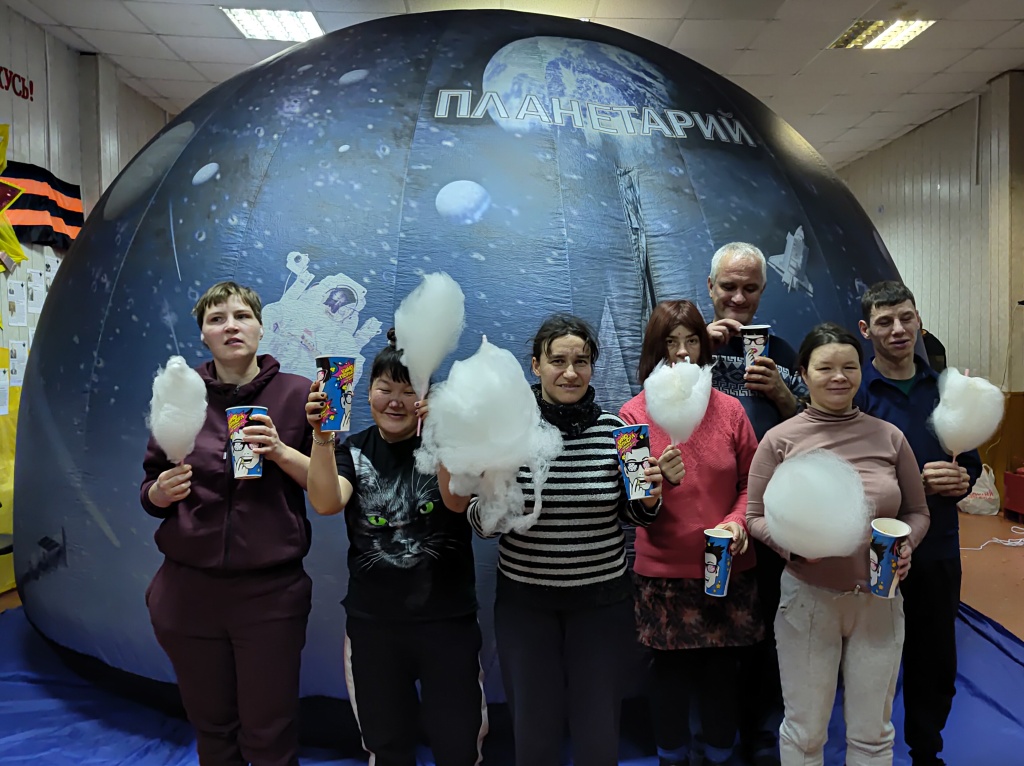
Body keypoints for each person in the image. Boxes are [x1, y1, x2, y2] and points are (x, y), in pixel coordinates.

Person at [464, 314, 663, 766]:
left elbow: (635, 515)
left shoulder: (619, 433)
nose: (570, 372)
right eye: (558, 361)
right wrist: (493, 487)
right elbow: (481, 524)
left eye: (581, 361)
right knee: (534, 735)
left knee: (598, 735)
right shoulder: (507, 432)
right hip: (526, 608)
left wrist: (651, 496)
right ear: (536, 365)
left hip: (602, 607)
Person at [141, 281, 314, 766]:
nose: (230, 326)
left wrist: (281, 451)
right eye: (216, 319)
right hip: (187, 592)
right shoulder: (180, 392)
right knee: (212, 730)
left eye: (242, 316)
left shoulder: (299, 393)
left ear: (261, 326)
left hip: (269, 595)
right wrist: (158, 493)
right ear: (203, 334)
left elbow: (328, 488)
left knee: (270, 733)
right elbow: (150, 486)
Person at [746, 322, 931, 766]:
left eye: (849, 367)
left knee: (873, 733)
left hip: (880, 600)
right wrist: (792, 547)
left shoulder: (890, 437)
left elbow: (918, 512)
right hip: (808, 599)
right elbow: (753, 517)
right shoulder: (780, 440)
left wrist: (907, 544)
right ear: (803, 374)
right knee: (805, 732)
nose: (838, 377)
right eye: (825, 367)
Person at [304, 329, 485, 766]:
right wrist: (321, 435)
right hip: (374, 625)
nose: (395, 401)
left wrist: (441, 434)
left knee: (459, 744)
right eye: (385, 389)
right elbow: (326, 502)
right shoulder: (353, 450)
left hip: (447, 621)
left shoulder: (449, 444)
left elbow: (456, 502)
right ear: (368, 392)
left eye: (408, 391)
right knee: (386, 745)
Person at [619, 300, 761, 766]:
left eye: (691, 341)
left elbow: (753, 483)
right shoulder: (631, 416)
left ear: (704, 348)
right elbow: (634, 504)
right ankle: (671, 757)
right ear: (654, 350)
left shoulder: (731, 411)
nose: (682, 352)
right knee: (669, 683)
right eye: (670, 342)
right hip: (663, 575)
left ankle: (720, 755)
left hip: (727, 570)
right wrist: (656, 484)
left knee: (722, 680)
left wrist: (737, 521)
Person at [855, 281, 980, 766]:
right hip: (877, 548)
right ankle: (871, 751)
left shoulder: (947, 390)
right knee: (873, 655)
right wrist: (908, 487)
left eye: (906, 317)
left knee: (935, 659)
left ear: (919, 320)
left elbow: (970, 462)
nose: (898, 329)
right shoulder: (856, 391)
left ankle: (926, 751)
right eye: (884, 321)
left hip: (938, 546)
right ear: (866, 330)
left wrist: (963, 479)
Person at [705, 241, 806, 766]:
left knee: (770, 624)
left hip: (771, 516)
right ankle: (712, 731)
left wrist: (784, 397)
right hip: (706, 515)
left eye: (750, 288)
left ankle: (764, 729)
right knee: (711, 627)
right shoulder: (687, 344)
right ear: (711, 288)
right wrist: (695, 354)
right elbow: (649, 406)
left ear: (764, 291)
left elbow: (820, 430)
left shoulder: (783, 353)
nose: (739, 298)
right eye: (729, 286)